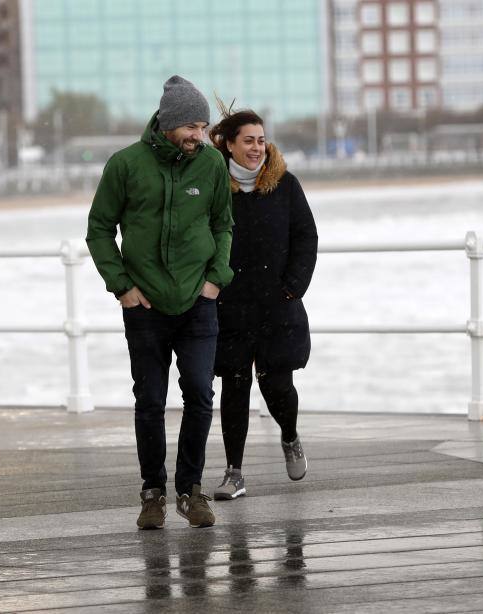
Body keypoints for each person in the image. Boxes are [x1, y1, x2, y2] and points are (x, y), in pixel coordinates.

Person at [86, 76, 234, 529]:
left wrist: (216, 279)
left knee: (200, 394)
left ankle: (190, 491)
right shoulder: (126, 165)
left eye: (203, 126)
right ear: (168, 123)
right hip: (144, 308)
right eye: (191, 126)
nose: (199, 136)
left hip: (198, 304)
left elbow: (223, 225)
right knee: (149, 400)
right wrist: (122, 287)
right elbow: (99, 229)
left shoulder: (210, 166)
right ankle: (152, 492)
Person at [207, 105, 318, 500]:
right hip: (230, 305)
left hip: (278, 304)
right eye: (248, 141)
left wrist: (293, 286)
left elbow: (306, 237)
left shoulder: (285, 184)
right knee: (234, 386)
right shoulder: (215, 186)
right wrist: (209, 285)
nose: (256, 148)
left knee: (278, 385)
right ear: (229, 145)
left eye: (261, 140)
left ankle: (289, 435)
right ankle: (234, 473)